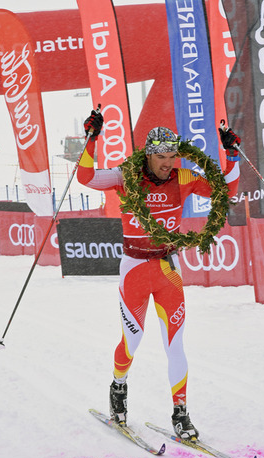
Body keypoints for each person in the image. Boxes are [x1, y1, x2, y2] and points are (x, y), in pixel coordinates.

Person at [77, 110, 241, 440]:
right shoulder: (126, 176)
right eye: (162, 157)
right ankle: (118, 387)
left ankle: (181, 413)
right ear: (149, 154)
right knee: (132, 341)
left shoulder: (183, 178)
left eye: (172, 156)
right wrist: (91, 139)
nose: (168, 163)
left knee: (175, 344)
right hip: (135, 268)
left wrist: (231, 153)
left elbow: (227, 189)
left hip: (168, 269)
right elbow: (86, 178)